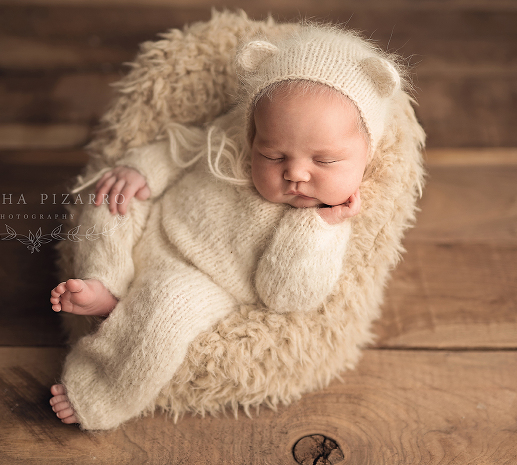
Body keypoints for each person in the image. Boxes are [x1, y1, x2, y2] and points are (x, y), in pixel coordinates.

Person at [48, 23, 404, 430]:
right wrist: (141, 171)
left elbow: (286, 295)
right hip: (161, 221)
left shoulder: (320, 221)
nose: (296, 174)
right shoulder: (232, 137)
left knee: (165, 312)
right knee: (110, 200)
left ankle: (99, 389)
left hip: (200, 278)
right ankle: (105, 283)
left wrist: (317, 228)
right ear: (253, 134)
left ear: (366, 155)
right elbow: (181, 147)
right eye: (272, 155)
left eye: (323, 162)